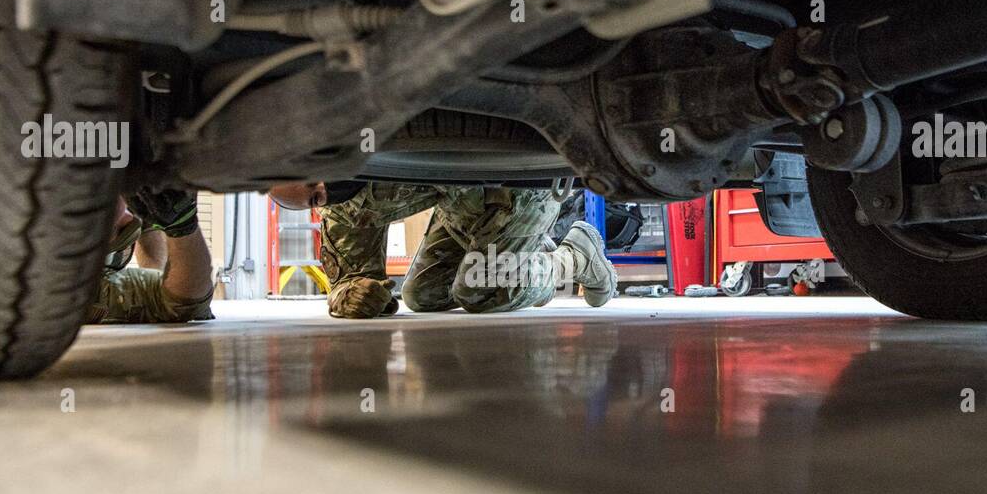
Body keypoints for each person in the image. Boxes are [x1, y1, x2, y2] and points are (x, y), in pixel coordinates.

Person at [270, 182, 617, 319]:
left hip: (515, 192)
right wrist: (356, 295)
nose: (323, 185)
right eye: (315, 196)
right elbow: (351, 281)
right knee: (421, 295)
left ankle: (573, 257)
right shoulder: (339, 202)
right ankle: (522, 257)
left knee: (481, 292)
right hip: (461, 211)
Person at [87, 189, 215, 324]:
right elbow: (184, 303)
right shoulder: (89, 295)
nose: (127, 216)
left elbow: (181, 301)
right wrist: (181, 224)